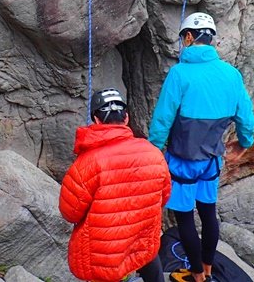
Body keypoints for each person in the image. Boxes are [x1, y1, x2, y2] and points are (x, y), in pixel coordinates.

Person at [148, 12, 254, 282]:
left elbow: (163, 119)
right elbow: (246, 117)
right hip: (211, 161)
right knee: (208, 214)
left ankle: (196, 275)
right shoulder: (231, 75)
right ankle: (207, 268)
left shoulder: (179, 74)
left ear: (188, 37)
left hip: (182, 161)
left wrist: (153, 149)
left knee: (185, 219)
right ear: (212, 40)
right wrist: (245, 142)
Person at [59, 88, 171, 282]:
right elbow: (164, 196)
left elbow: (70, 213)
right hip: (141, 238)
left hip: (104, 251)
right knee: (147, 258)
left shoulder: (87, 163)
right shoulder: (153, 153)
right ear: (126, 118)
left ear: (96, 119)